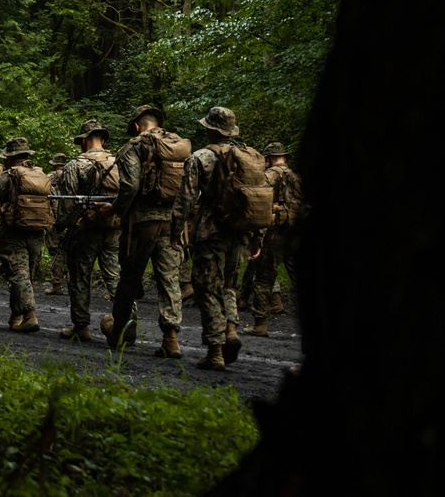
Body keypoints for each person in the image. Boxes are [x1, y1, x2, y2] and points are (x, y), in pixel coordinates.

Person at [171, 107, 262, 371]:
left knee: (206, 289)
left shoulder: (201, 157)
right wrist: (256, 237)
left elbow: (186, 198)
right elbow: (258, 198)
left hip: (209, 232)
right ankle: (231, 330)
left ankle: (215, 351)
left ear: (210, 129)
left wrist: (175, 230)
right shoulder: (250, 156)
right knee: (228, 285)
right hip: (238, 231)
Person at [98, 105, 187, 357]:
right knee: (169, 278)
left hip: (141, 224)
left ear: (137, 125)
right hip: (171, 222)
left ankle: (119, 333)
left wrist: (114, 208)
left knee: (130, 277)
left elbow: (130, 185)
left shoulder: (134, 146)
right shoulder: (177, 146)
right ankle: (171, 339)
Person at [55, 119, 121, 341]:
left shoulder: (75, 165)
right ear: (102, 139)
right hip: (114, 227)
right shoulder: (119, 162)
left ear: (83, 141)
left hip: (85, 230)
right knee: (115, 276)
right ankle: (125, 320)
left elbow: (66, 205)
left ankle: (81, 327)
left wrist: (61, 226)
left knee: (80, 277)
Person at [0, 137, 52, 333]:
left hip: (13, 232)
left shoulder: (5, 178)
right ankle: (16, 317)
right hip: (37, 232)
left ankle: (30, 315)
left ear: (9, 158)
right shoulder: (42, 175)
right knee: (25, 273)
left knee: (18, 274)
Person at [245, 142, 302, 337]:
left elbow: (259, 203)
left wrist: (255, 235)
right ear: (284, 157)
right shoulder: (297, 175)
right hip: (297, 232)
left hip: (276, 232)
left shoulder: (269, 175)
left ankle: (260, 324)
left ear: (268, 158)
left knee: (264, 277)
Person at [43, 152, 70, 296]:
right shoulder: (72, 175)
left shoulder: (48, 178)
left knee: (55, 252)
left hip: (53, 220)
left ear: (54, 164)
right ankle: (72, 282)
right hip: (70, 219)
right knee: (70, 251)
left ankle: (57, 284)